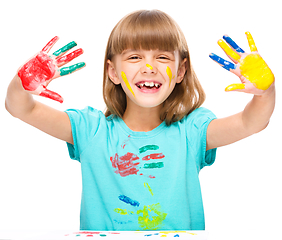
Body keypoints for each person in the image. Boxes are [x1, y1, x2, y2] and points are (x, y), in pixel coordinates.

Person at [5, 9, 275, 231]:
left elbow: (252, 122)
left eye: (162, 57)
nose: (149, 67)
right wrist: (22, 84)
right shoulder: (91, 130)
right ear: (113, 71)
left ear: (181, 71)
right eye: (135, 57)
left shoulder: (192, 131)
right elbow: (21, 109)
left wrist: (265, 92)